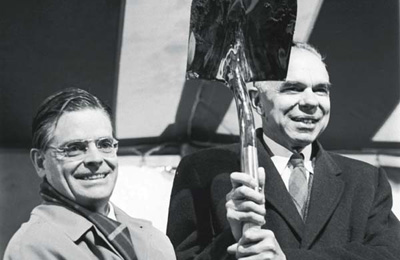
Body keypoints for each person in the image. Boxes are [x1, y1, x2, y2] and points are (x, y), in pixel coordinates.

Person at [167, 42, 400, 259]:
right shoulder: (204, 172)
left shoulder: (366, 181)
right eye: (292, 89)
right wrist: (232, 243)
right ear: (256, 102)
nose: (311, 101)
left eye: (321, 90)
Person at [4, 88, 176, 260]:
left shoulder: (154, 240)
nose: (96, 158)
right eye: (74, 148)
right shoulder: (33, 248)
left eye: (105, 144)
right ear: (41, 162)